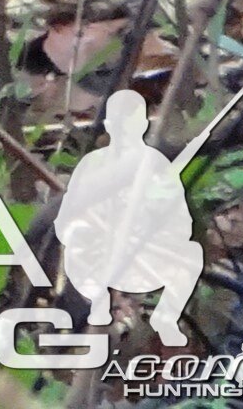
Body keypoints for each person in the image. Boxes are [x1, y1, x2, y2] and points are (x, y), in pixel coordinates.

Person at [60, 88, 205, 343]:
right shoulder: (92, 165)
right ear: (108, 126)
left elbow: (182, 222)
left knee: (191, 255)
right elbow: (65, 224)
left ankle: (166, 318)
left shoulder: (156, 163)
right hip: (95, 262)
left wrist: (152, 226)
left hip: (141, 256)